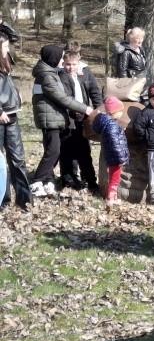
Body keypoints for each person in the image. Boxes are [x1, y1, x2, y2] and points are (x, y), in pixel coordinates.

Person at [30, 46, 93, 198]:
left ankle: (47, 181)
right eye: (60, 57)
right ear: (54, 58)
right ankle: (37, 182)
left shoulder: (49, 73)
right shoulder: (46, 76)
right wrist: (85, 108)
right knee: (53, 151)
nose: (62, 60)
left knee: (54, 151)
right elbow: (62, 97)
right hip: (49, 119)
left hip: (53, 118)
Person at [57, 42, 103, 193]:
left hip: (84, 116)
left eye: (74, 64)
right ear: (63, 61)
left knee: (84, 150)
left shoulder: (85, 72)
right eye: (68, 64)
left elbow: (94, 91)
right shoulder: (61, 75)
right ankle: (69, 179)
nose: (71, 67)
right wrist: (77, 110)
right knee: (67, 149)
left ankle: (90, 180)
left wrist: (98, 110)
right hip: (68, 116)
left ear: (79, 61)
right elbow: (66, 98)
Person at [0, 29, 32, 210]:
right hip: (1, 115)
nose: (7, 49)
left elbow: (13, 36)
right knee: (0, 162)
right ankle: (2, 200)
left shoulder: (6, 61)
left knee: (17, 158)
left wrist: (3, 23)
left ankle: (24, 199)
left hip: (12, 114)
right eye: (4, 46)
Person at [92, 97, 130, 206]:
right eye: (120, 111)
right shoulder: (112, 125)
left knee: (113, 177)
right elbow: (115, 143)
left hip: (111, 156)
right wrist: (120, 158)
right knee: (114, 179)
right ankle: (111, 198)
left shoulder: (107, 124)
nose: (121, 114)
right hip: (115, 157)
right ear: (114, 112)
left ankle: (114, 197)